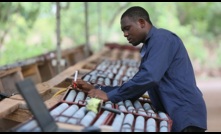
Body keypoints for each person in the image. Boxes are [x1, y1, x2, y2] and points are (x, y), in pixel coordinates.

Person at [75, 6, 207, 132]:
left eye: (127, 28)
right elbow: (138, 86)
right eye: (123, 31)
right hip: (178, 112)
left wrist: (109, 96)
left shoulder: (162, 39)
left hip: (185, 114)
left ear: (142, 22)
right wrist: (98, 89)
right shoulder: (151, 45)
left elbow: (148, 77)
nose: (125, 34)